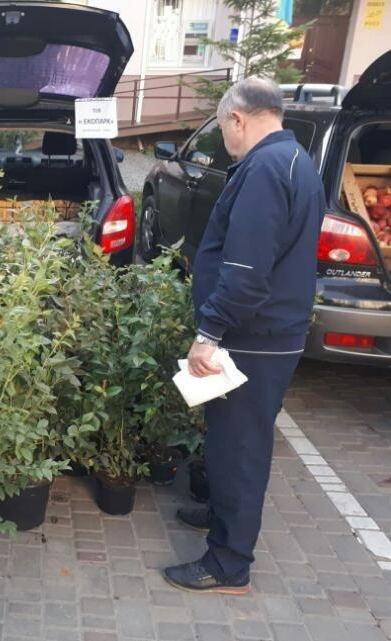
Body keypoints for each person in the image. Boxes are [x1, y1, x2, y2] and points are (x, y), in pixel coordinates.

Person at [163, 78, 324, 594]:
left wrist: (208, 333)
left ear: (237, 118)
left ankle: (228, 563)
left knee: (241, 449)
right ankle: (221, 515)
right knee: (231, 439)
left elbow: (247, 269)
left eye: (223, 129)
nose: (225, 141)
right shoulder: (295, 160)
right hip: (267, 331)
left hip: (252, 337)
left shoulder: (265, 169)